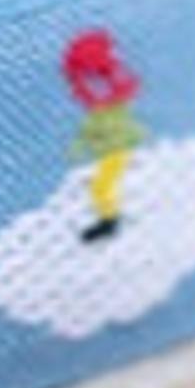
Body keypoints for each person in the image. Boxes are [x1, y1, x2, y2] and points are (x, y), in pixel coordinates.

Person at [63, 27, 144, 243]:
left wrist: (79, 146)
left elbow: (93, 129)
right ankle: (109, 219)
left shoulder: (106, 107)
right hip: (115, 149)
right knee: (101, 185)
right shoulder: (109, 104)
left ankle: (110, 220)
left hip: (115, 150)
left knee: (101, 187)